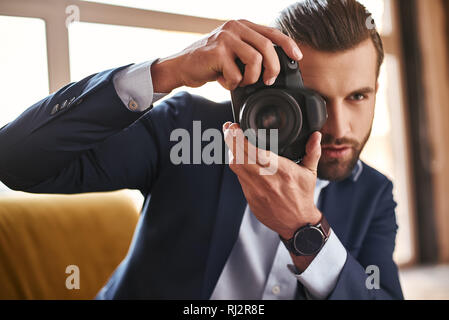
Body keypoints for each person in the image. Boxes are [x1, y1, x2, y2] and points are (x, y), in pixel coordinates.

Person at [0, 0, 404, 299]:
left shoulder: (373, 193)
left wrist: (305, 230)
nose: (338, 127)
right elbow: (15, 160)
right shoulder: (188, 130)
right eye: (314, 99)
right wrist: (166, 71)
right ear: (275, 86)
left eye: (357, 96)